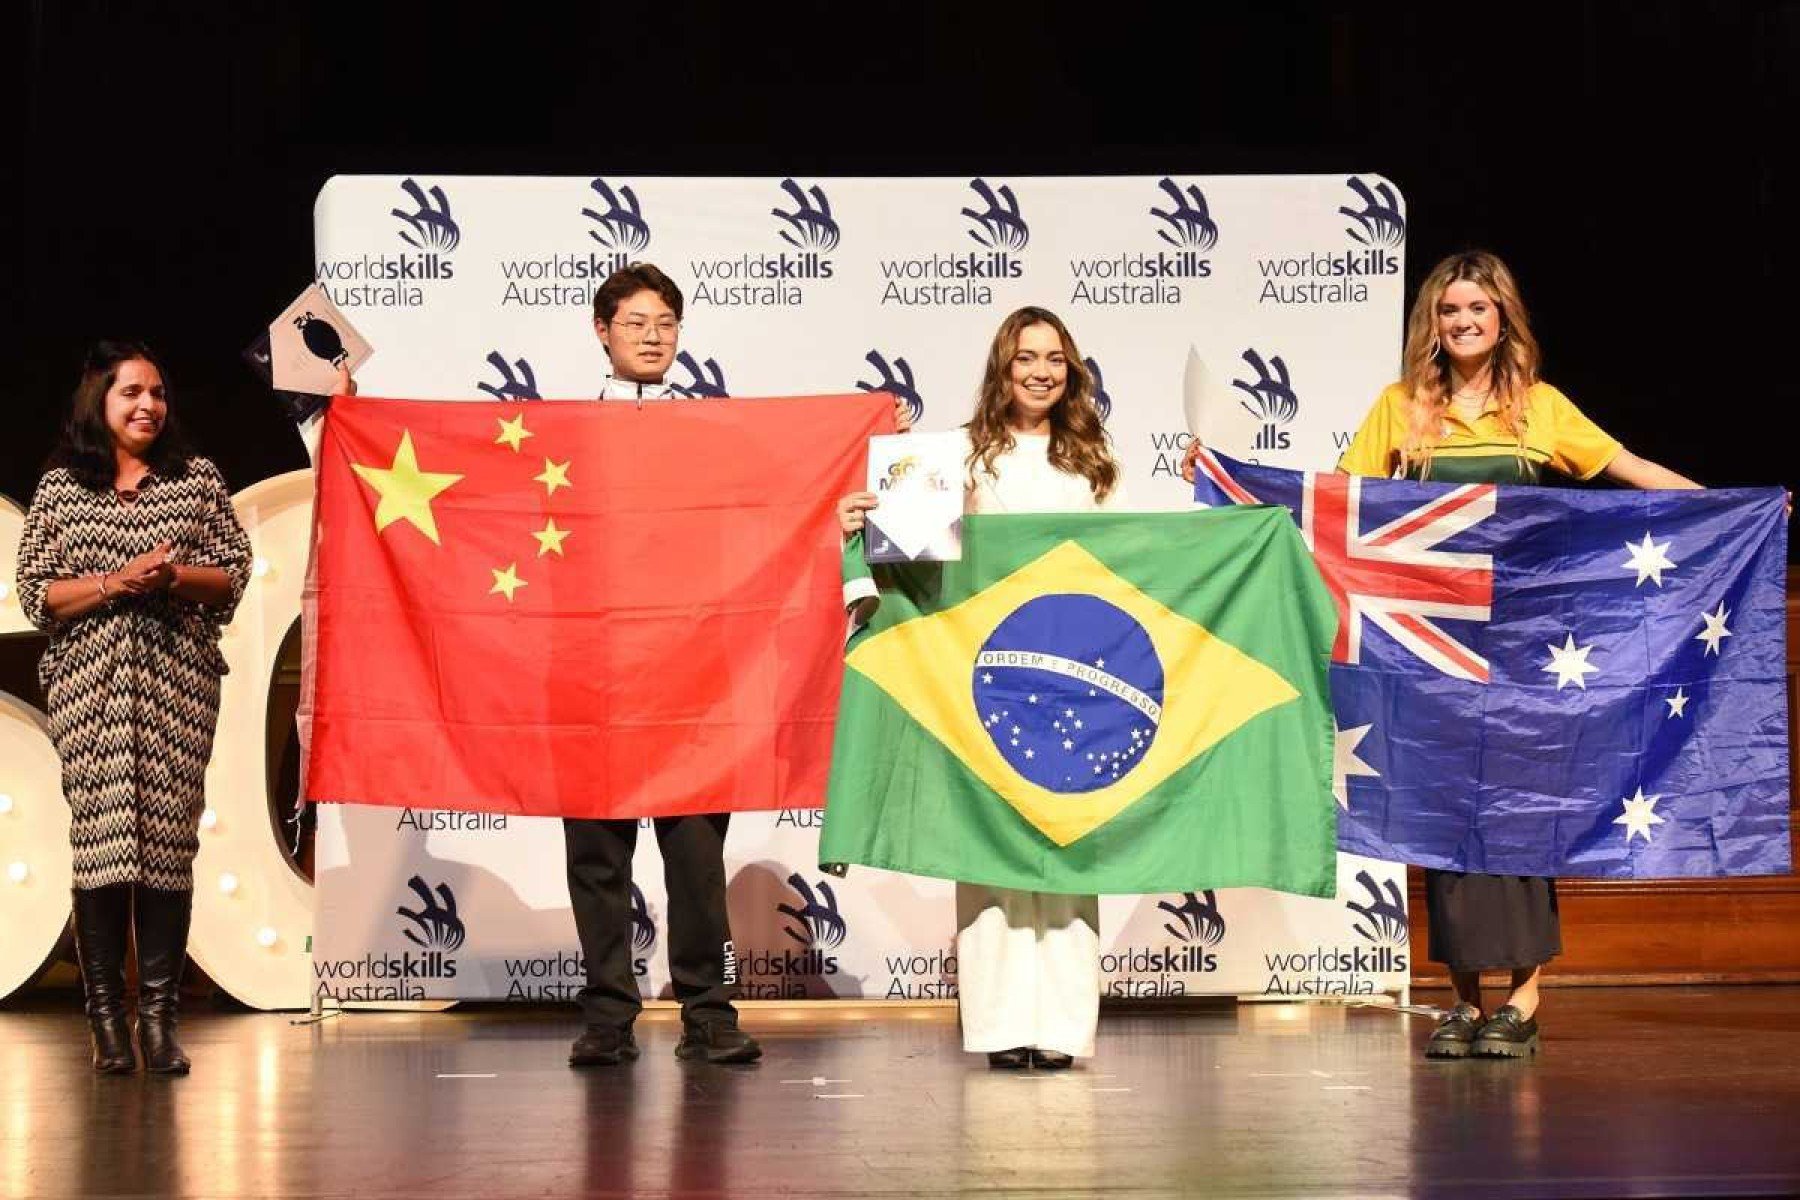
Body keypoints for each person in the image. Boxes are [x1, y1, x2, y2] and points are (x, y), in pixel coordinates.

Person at [1185, 250, 1699, 1058]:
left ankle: (1523, 1002)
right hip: (1432, 654)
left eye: (1478, 310)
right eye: (1450, 311)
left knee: (1524, 819)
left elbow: (1631, 471)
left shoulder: (1542, 409)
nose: (1463, 323)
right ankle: (1462, 1000)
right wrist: (1233, 478)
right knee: (1447, 818)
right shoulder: (1399, 409)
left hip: (1528, 651)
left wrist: (1734, 507)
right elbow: (1336, 505)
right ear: (1434, 323)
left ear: (1503, 321)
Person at [837, 306, 1126, 1069]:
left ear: (1071, 369)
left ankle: (1062, 1030)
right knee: (989, 852)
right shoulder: (956, 456)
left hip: (1076, 680)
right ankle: (1001, 1029)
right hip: (988, 682)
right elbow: (916, 560)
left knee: (1069, 856)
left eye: (1055, 358)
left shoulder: (1096, 462)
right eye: (1026, 357)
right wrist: (862, 520)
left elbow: (1133, 568)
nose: (1040, 370)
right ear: (1002, 367)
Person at [14, 340, 252, 1075]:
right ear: (100, 401)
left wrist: (173, 574)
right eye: (131, 393)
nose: (148, 405)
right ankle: (106, 1024)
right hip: (89, 689)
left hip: (178, 684)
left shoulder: (195, 481)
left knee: (168, 850)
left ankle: (159, 1021)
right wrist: (116, 582)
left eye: (157, 393)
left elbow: (234, 574)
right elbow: (36, 591)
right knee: (103, 847)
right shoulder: (61, 490)